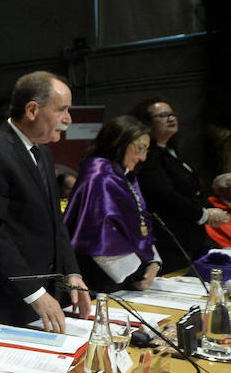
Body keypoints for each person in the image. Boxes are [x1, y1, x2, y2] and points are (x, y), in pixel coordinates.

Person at [0, 72, 91, 341]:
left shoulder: (42, 152)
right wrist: (35, 292)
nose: (68, 120)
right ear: (32, 110)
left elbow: (56, 224)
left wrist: (72, 272)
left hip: (37, 304)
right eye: (62, 110)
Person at [64, 115, 161, 291]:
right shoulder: (99, 175)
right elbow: (98, 235)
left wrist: (153, 262)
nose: (143, 158)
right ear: (120, 144)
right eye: (140, 149)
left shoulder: (122, 175)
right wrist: (139, 273)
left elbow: (139, 225)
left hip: (126, 276)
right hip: (101, 279)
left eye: (146, 150)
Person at [131, 97, 228, 271]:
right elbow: (165, 195)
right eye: (162, 115)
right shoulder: (149, 156)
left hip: (191, 235)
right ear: (147, 123)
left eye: (172, 114)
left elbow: (193, 189)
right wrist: (203, 214)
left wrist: (211, 209)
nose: (171, 118)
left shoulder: (173, 151)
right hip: (169, 238)